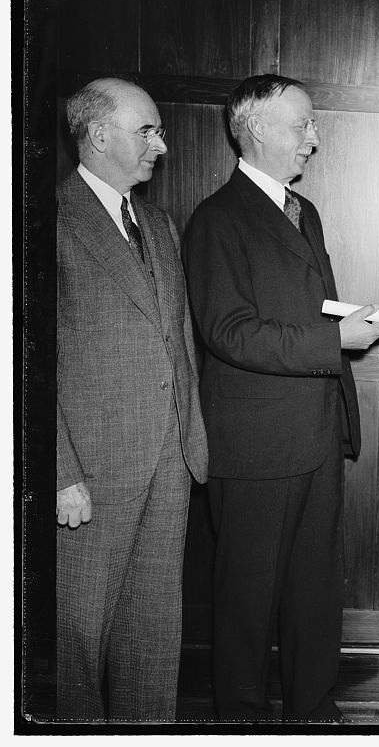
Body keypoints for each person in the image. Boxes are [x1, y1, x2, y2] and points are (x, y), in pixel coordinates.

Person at [181, 74, 379, 722]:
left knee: (313, 591)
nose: (314, 138)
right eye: (303, 125)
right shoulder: (218, 220)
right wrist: (338, 340)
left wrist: (358, 319)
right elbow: (230, 333)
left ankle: (313, 709)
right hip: (256, 447)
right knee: (245, 601)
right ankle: (240, 720)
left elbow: (302, 308)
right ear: (259, 128)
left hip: (317, 435)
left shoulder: (304, 211)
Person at [56, 78, 208, 720]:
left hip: (166, 468)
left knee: (152, 646)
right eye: (147, 130)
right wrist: (60, 472)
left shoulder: (159, 223)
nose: (162, 145)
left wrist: (190, 444)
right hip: (89, 475)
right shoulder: (48, 220)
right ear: (98, 136)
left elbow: (178, 341)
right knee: (79, 648)